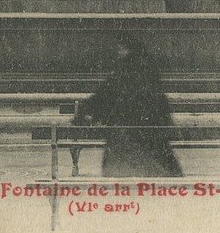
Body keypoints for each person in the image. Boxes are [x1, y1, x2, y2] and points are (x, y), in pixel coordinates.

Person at [73, 37, 183, 177]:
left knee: (120, 172)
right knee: (161, 171)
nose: (119, 52)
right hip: (148, 132)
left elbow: (103, 95)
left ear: (128, 50)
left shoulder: (123, 72)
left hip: (126, 133)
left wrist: (84, 112)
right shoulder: (146, 71)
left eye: (121, 49)